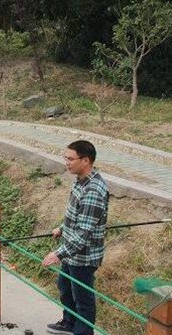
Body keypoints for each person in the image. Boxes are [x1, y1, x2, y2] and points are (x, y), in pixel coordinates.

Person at [42, 140, 109, 335]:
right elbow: (79, 216)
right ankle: (69, 323)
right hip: (71, 252)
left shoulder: (93, 191)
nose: (66, 162)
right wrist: (62, 228)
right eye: (66, 158)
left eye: (70, 159)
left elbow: (83, 233)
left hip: (83, 256)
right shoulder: (81, 180)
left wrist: (57, 254)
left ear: (86, 160)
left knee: (83, 299)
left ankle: (83, 332)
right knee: (65, 287)